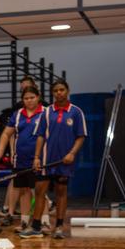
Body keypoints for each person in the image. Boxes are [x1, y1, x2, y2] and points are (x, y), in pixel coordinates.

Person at [21, 79, 87, 239]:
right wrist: (37, 157)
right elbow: (40, 136)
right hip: (45, 161)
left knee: (61, 192)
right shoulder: (47, 112)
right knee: (40, 191)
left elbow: (81, 137)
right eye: (56, 90)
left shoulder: (76, 112)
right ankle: (36, 227)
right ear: (53, 93)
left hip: (64, 162)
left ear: (67, 91)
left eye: (62, 89)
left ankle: (58, 227)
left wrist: (72, 153)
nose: (59, 93)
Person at [0, 86, 49, 232]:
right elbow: (6, 134)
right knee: (24, 190)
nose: (29, 101)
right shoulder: (17, 115)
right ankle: (24, 222)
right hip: (21, 160)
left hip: (40, 160)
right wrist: (0, 150)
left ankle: (44, 222)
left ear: (38, 97)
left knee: (40, 191)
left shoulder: (46, 113)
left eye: (32, 97)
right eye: (26, 98)